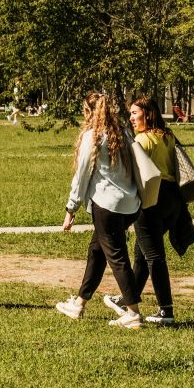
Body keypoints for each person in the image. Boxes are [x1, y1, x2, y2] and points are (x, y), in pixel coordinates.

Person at [55, 92, 143, 329]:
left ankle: (133, 312)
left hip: (107, 205)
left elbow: (82, 173)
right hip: (130, 205)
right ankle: (80, 304)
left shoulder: (93, 136)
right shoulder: (123, 132)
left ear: (89, 111)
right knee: (97, 251)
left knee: (117, 257)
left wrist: (71, 207)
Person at [111, 94, 184, 324]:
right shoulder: (168, 135)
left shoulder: (142, 140)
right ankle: (127, 298)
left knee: (154, 256)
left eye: (135, 113)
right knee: (142, 252)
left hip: (152, 198)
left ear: (147, 114)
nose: (131, 117)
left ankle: (166, 310)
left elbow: (133, 173)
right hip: (173, 198)